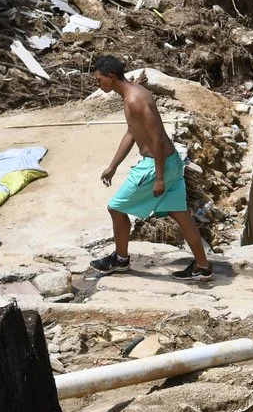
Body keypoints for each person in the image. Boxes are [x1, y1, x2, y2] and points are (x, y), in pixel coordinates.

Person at [89, 54, 215, 280]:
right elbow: (132, 131)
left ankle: (120, 259)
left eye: (99, 80)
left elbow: (156, 138)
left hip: (156, 166)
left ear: (111, 76)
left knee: (115, 208)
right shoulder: (133, 94)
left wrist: (158, 177)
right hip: (171, 162)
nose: (97, 84)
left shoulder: (135, 100)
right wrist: (113, 166)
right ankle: (202, 267)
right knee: (181, 215)